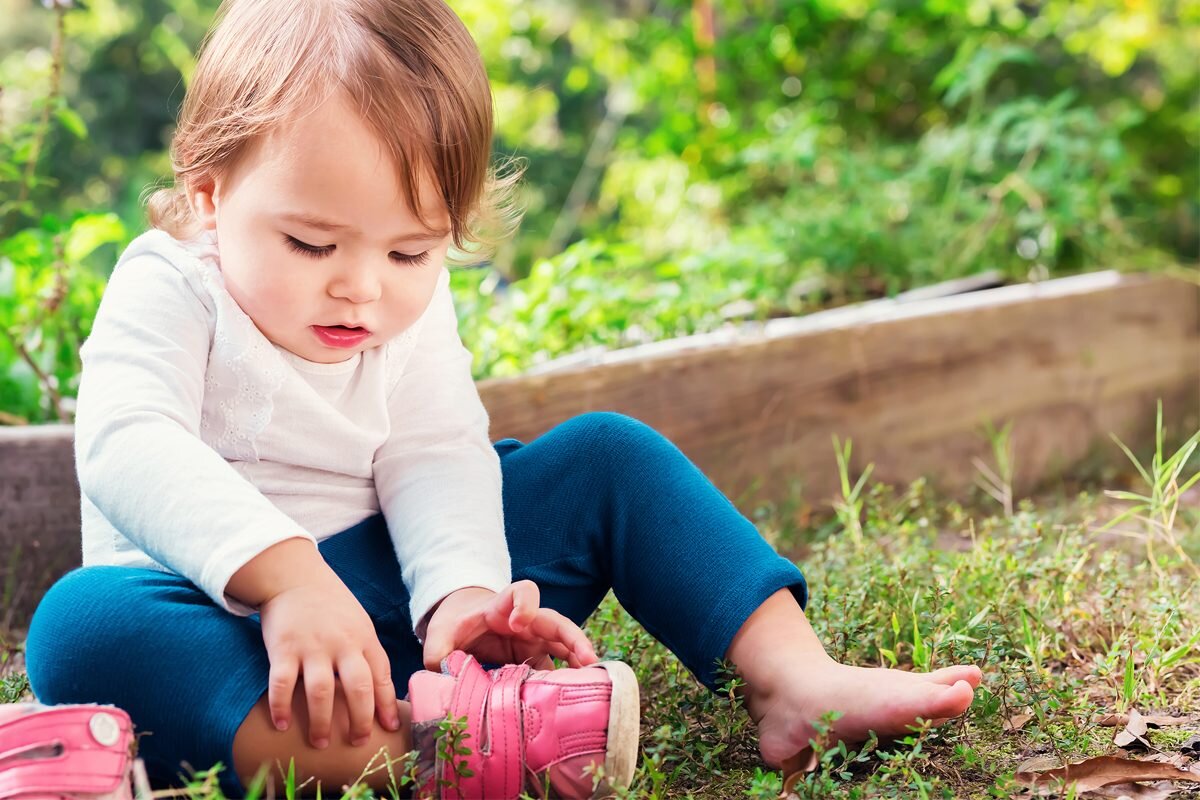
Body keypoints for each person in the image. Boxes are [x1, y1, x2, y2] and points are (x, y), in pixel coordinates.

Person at [22, 0, 983, 797]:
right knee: (83, 628)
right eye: (313, 245)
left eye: (410, 250)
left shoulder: (407, 303)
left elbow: (435, 450)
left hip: (404, 604)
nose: (362, 286)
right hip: (243, 634)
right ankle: (438, 758)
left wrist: (465, 596)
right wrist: (287, 582)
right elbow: (128, 444)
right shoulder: (168, 288)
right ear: (210, 194)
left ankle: (797, 682)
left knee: (607, 454)